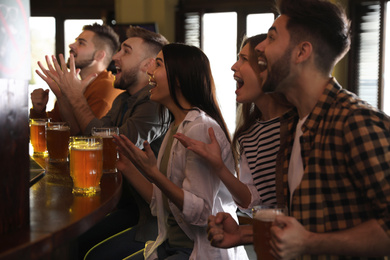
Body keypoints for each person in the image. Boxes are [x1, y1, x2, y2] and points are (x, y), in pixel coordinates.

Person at [209, 0, 390, 259]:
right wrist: (244, 234)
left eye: (271, 38)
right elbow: (308, 224)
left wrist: (310, 243)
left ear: (301, 52)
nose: (260, 47)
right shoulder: (295, 127)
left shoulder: (354, 121)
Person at [101, 43, 248, 259]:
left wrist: (153, 173)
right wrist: (128, 167)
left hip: (196, 249)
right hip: (169, 244)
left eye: (158, 65)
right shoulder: (176, 126)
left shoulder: (199, 128)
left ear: (178, 79)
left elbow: (201, 212)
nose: (149, 71)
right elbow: (160, 203)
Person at [38, 26, 170, 259]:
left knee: (91, 255)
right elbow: (89, 138)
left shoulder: (153, 103)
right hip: (131, 206)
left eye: (125, 51)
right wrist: (65, 96)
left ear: (148, 65)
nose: (116, 57)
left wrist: (75, 96)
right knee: (72, 241)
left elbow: (110, 144)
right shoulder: (124, 99)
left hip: (155, 218)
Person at [174, 34, 293, 215]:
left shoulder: (298, 124)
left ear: (265, 69)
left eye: (244, 59)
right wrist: (219, 167)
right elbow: (250, 201)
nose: (233, 66)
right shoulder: (249, 134)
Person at [31, 23, 123, 125]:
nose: (71, 45)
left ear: (99, 55)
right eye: (75, 41)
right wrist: (39, 110)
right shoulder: (73, 85)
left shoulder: (107, 87)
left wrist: (63, 97)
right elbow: (53, 131)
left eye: (81, 43)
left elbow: (89, 136)